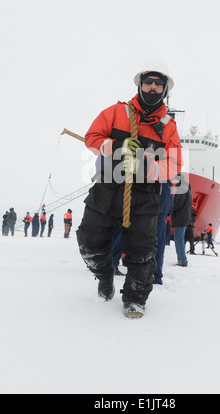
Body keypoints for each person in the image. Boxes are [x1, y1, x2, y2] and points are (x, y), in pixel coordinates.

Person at [76, 63, 182, 318]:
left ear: (165, 89)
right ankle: (103, 274)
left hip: (145, 194)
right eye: (148, 82)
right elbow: (91, 138)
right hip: (108, 186)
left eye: (158, 83)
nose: (153, 87)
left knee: (143, 251)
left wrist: (148, 166)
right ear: (140, 84)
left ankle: (135, 298)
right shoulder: (116, 112)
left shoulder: (169, 128)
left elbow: (175, 164)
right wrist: (118, 146)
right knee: (90, 241)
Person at [171, 177, 192, 267]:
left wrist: (169, 207)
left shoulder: (182, 188)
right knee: (179, 239)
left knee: (178, 239)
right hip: (183, 218)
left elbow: (178, 203)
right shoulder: (185, 187)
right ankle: (182, 259)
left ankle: (182, 260)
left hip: (180, 218)